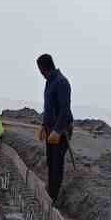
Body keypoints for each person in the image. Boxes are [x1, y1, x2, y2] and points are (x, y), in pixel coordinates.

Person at [35, 53, 72, 203]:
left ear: (43, 68)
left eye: (40, 69)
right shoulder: (49, 82)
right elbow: (49, 107)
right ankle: (50, 192)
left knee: (57, 164)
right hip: (50, 129)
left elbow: (65, 110)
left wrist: (57, 131)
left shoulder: (61, 82)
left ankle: (53, 199)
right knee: (51, 162)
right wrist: (44, 125)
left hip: (60, 131)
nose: (40, 73)